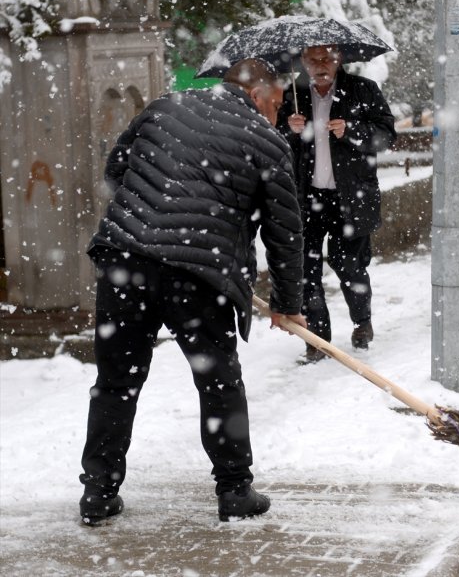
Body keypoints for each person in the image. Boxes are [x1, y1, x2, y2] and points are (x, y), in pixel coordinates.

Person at [79, 58, 306, 525]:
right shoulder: (267, 142)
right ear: (259, 94)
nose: (276, 113)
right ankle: (235, 490)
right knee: (218, 381)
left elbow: (116, 169)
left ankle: (98, 493)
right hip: (199, 276)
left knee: (116, 384)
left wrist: (152, 218)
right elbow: (285, 233)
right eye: (277, 102)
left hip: (126, 262)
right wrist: (288, 305)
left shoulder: (166, 106)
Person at [277, 45, 396, 362]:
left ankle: (362, 322)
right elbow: (276, 142)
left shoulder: (363, 90)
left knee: (348, 265)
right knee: (306, 270)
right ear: (303, 62)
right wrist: (289, 131)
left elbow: (387, 135)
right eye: (313, 59)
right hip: (307, 197)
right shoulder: (295, 95)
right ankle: (317, 340)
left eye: (327, 58)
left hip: (350, 197)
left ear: (339, 59)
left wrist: (353, 130)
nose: (321, 65)